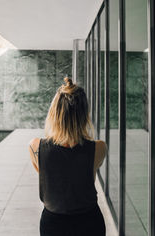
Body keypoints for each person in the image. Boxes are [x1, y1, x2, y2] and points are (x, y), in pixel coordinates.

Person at [28, 77, 107, 236]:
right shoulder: (99, 148)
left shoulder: (36, 146)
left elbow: (52, 176)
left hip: (53, 224)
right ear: (85, 114)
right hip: (90, 222)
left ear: (54, 112)